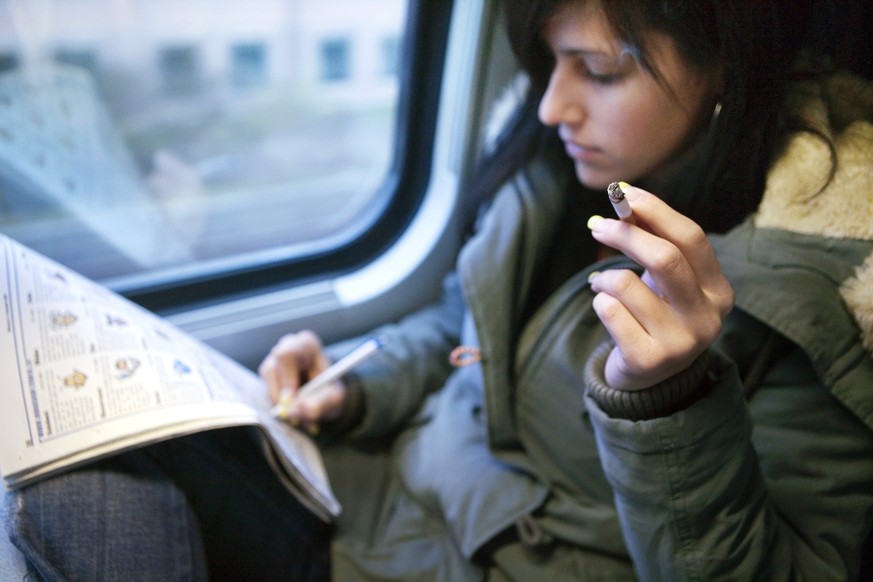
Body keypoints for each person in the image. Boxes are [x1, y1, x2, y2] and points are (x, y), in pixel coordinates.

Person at [5, 0, 873, 579]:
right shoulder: (551, 176)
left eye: (598, 72)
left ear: (724, 67)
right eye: (548, 65)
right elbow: (465, 329)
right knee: (79, 466)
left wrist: (670, 406)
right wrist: (355, 383)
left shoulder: (810, 294)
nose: (548, 108)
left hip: (483, 560)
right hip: (380, 494)